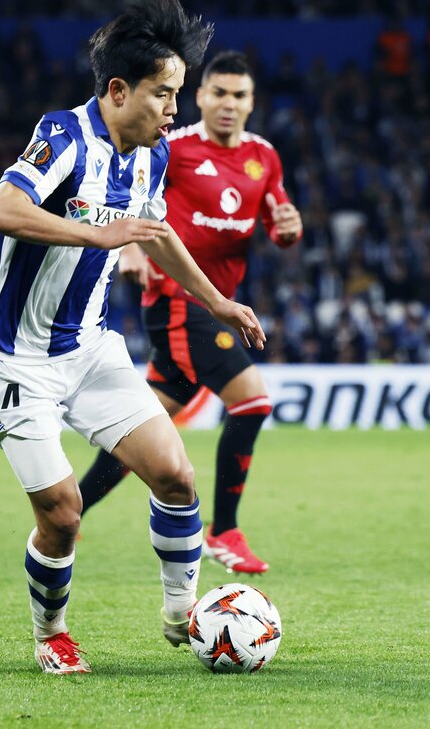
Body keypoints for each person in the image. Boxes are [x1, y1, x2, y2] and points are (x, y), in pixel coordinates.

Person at [0, 0, 265, 675]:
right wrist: (95, 233)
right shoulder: (64, 136)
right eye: (164, 93)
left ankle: (183, 615)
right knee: (63, 514)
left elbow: (153, 232)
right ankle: (52, 632)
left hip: (89, 350)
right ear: (119, 91)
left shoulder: (152, 154)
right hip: (12, 358)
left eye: (177, 93)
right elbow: (0, 209)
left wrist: (217, 301)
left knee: (176, 475)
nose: (174, 109)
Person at [76, 51, 301, 574]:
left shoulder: (264, 157)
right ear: (200, 97)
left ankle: (69, 507)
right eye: (218, 93)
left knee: (142, 427)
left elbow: (278, 223)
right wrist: (131, 250)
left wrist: (289, 231)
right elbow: (130, 200)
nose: (228, 103)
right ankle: (224, 532)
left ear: (251, 102)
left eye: (239, 95)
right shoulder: (171, 147)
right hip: (178, 301)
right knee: (252, 402)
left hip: (217, 306)